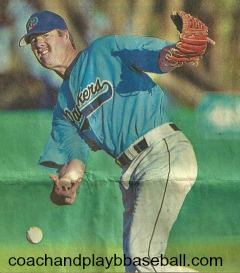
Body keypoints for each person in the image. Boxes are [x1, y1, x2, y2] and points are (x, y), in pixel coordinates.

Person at [19, 10, 214, 272]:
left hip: (161, 151)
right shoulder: (64, 106)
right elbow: (75, 161)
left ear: (65, 34)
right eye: (32, 40)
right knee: (137, 267)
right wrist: (65, 184)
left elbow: (157, 57)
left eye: (44, 34)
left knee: (143, 257)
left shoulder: (103, 50)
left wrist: (174, 53)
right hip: (132, 172)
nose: (38, 43)